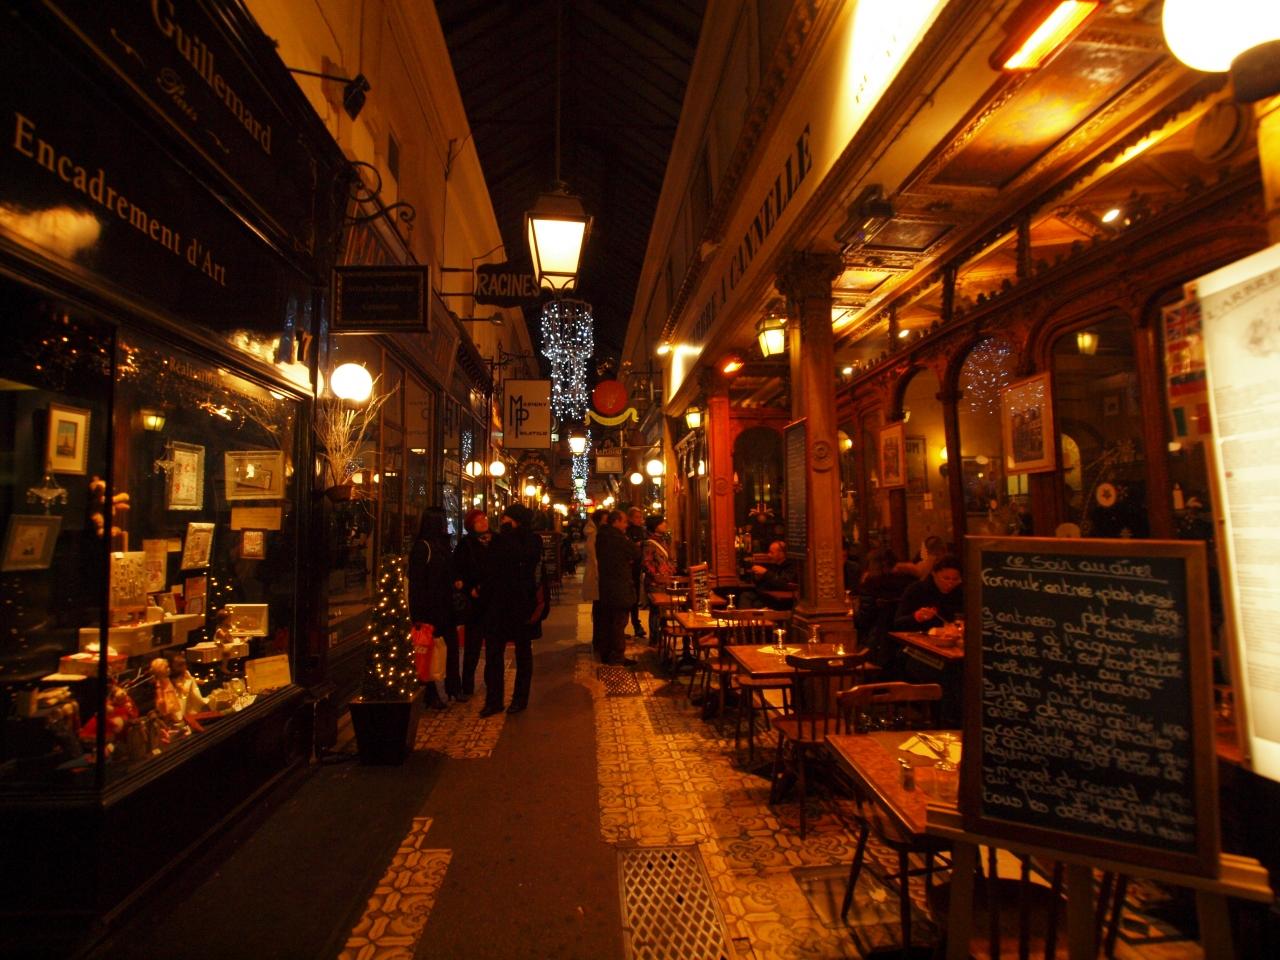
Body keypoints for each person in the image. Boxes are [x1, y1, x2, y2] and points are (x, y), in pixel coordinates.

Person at [479, 503, 542, 716]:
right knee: (495, 654)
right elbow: (490, 567)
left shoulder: (530, 540)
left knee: (522, 652)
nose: (502, 521)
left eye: (506, 518)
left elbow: (522, 558)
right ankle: (495, 700)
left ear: (515, 520)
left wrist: (505, 537)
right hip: (500, 604)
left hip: (519, 604)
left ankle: (518, 699)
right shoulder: (500, 540)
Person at [409, 508, 454, 709]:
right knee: (428, 651)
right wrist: (418, 615)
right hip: (430, 609)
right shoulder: (424, 548)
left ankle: (440, 689)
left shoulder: (440, 546)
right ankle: (430, 692)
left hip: (442, 606)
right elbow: (416, 584)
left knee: (438, 650)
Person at [450, 508, 492, 702]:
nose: (483, 522)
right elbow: (457, 573)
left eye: (484, 518)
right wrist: (469, 588)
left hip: (492, 599)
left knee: (493, 645)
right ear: (471, 526)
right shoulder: (466, 545)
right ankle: (467, 685)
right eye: (478, 520)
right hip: (474, 602)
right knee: (473, 646)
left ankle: (492, 681)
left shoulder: (494, 541)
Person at [854, 547, 918, 663]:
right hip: (906, 643)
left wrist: (854, 613)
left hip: (877, 645)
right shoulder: (911, 582)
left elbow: (863, 620)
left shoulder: (870, 584)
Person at [596, 509, 638, 666]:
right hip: (619, 586)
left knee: (608, 620)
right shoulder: (617, 538)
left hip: (606, 585)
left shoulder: (602, 536)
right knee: (619, 622)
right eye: (624, 522)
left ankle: (606, 653)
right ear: (616, 522)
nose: (626, 525)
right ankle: (617, 656)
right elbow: (635, 552)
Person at [892, 554, 964, 632]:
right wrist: (916, 617)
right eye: (946, 578)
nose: (950, 584)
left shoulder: (960, 593)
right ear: (934, 574)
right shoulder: (917, 590)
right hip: (919, 636)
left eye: (955, 579)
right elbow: (898, 624)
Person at [641, 515, 675, 642]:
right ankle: (655, 639)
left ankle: (662, 637)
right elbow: (646, 562)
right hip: (655, 583)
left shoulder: (663, 540)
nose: (665, 524)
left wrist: (671, 569)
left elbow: (668, 559)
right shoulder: (649, 543)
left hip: (666, 581)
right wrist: (657, 574)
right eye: (662, 523)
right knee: (656, 610)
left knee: (663, 610)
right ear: (655, 526)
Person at [581, 508, 607, 660]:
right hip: (597, 576)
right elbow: (595, 557)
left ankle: (598, 640)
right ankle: (599, 641)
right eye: (605, 520)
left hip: (598, 575)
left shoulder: (595, 534)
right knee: (600, 609)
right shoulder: (595, 535)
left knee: (599, 608)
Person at [741, 539, 795, 609]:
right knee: (745, 595)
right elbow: (764, 583)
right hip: (766, 595)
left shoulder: (791, 567)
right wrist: (758, 578)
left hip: (779, 600)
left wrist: (765, 572)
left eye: (772, 553)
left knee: (751, 601)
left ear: (781, 554)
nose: (769, 555)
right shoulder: (773, 564)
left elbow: (783, 584)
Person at [625, 507, 647, 637]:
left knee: (636, 597)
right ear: (630, 518)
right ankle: (629, 625)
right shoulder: (627, 531)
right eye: (637, 517)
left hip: (639, 567)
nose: (639, 520)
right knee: (629, 597)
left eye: (640, 517)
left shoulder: (642, 531)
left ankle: (636, 624)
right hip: (630, 568)